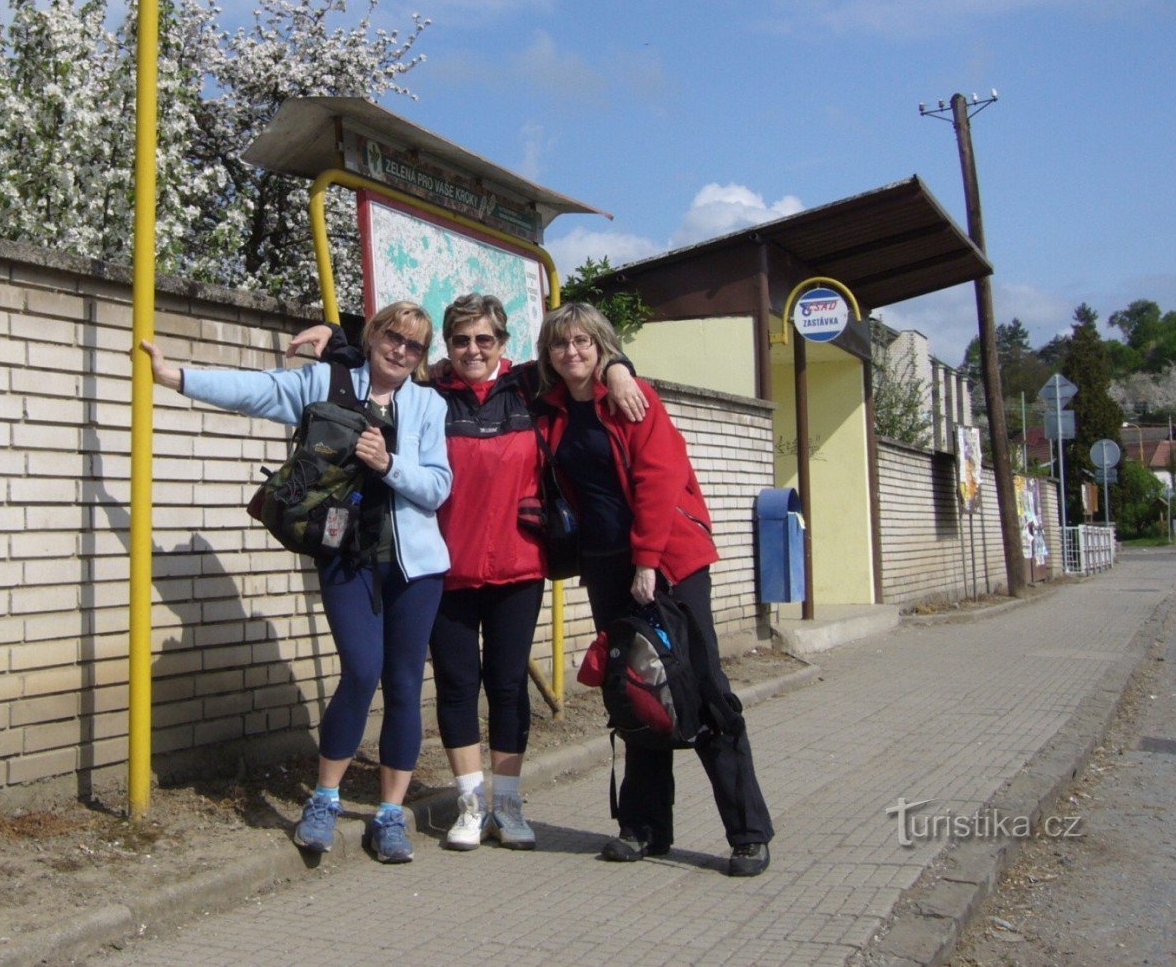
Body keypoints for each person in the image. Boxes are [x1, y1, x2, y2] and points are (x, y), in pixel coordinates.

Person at [291, 295, 643, 852]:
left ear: (503, 343)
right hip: (447, 568)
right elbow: (382, 362)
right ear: (447, 349)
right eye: (461, 340)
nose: (473, 350)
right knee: (456, 688)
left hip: (518, 565)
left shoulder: (529, 386)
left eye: (484, 339)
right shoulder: (432, 393)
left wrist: (620, 366)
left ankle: (508, 803)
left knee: (507, 687)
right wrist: (336, 335)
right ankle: (471, 804)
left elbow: (581, 358)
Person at [140, 300, 451, 865]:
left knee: (404, 684)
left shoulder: (427, 404)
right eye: (394, 337)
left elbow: (436, 488)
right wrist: (177, 378)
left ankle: (389, 816)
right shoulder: (325, 381)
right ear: (374, 335)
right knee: (361, 670)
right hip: (344, 557)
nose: (401, 351)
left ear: (422, 357)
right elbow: (258, 391)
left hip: (415, 568)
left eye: (415, 346)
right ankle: (325, 800)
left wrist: (389, 464)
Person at [531, 301, 774, 877]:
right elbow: (470, 369)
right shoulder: (552, 408)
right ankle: (644, 828)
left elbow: (658, 480)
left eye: (585, 343)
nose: (573, 353)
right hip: (606, 567)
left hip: (669, 563)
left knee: (703, 689)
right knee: (635, 691)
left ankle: (747, 832)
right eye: (561, 344)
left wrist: (647, 562)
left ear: (602, 346)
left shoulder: (632, 399)